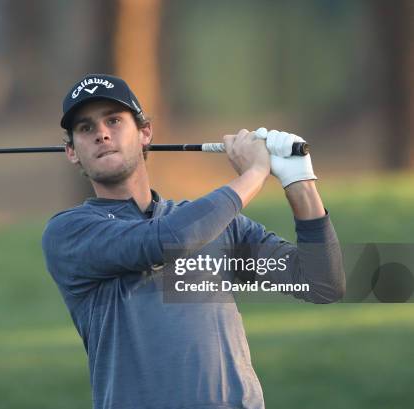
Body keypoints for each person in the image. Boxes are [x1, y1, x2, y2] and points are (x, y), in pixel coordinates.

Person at [41, 74, 345, 409]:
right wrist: (254, 174)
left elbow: (321, 284)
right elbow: (164, 241)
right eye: (86, 128)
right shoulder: (70, 232)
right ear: (71, 152)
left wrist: (299, 181)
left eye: (114, 120)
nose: (101, 133)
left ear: (145, 133)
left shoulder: (220, 226)